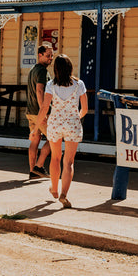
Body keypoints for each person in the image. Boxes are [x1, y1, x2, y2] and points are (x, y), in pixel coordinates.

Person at [36, 53, 88, 208]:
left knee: (55, 158)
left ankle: (54, 189)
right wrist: (76, 117)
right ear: (70, 67)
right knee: (69, 162)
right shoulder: (79, 84)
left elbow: (45, 108)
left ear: (56, 69)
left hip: (55, 124)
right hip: (72, 124)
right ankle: (64, 194)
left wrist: (36, 127)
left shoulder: (51, 84)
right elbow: (85, 108)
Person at [25, 45, 53, 179]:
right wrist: (44, 110)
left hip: (30, 111)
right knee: (53, 138)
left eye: (52, 56)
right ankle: (39, 166)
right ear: (40, 55)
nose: (51, 58)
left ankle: (32, 171)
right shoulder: (42, 71)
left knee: (35, 139)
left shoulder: (33, 70)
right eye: (48, 56)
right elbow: (39, 90)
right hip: (39, 112)